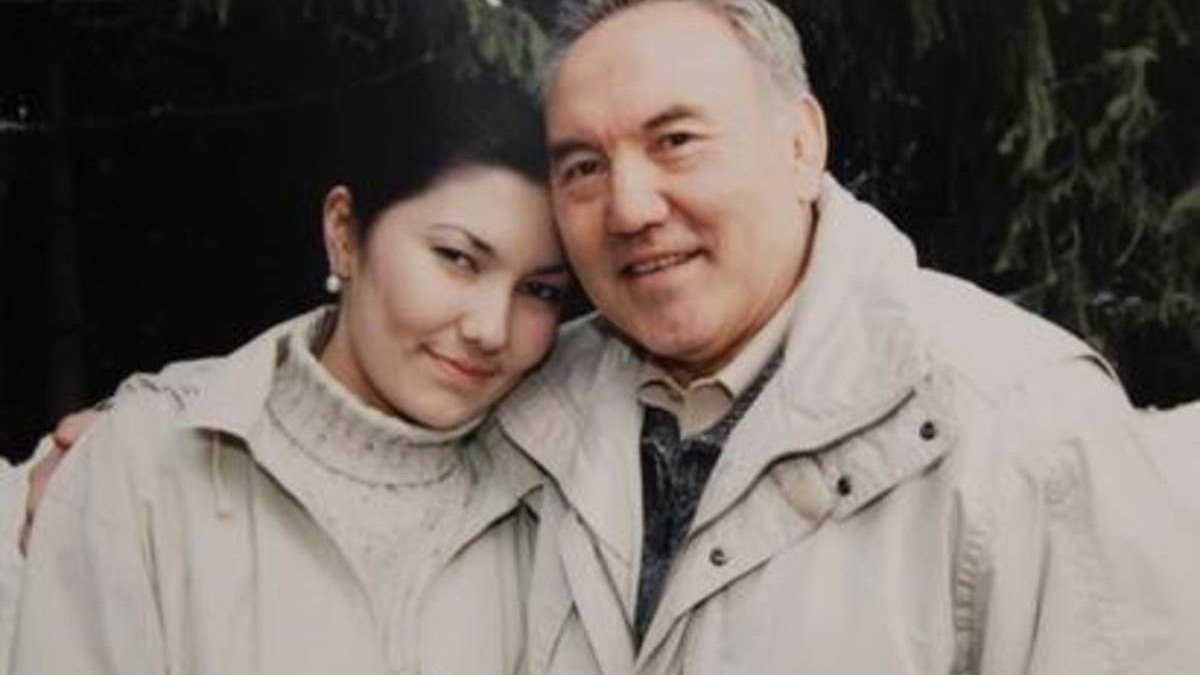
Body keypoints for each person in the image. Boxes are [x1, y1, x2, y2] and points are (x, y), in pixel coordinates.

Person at [482, 0, 1197, 672]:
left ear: (801, 144)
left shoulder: (1024, 424)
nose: (629, 209)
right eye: (583, 167)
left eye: (676, 141)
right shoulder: (522, 411)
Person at [9, 82, 568, 675]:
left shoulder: (558, 501)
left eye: (540, 291)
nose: (491, 329)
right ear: (344, 233)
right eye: (457, 258)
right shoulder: (146, 464)